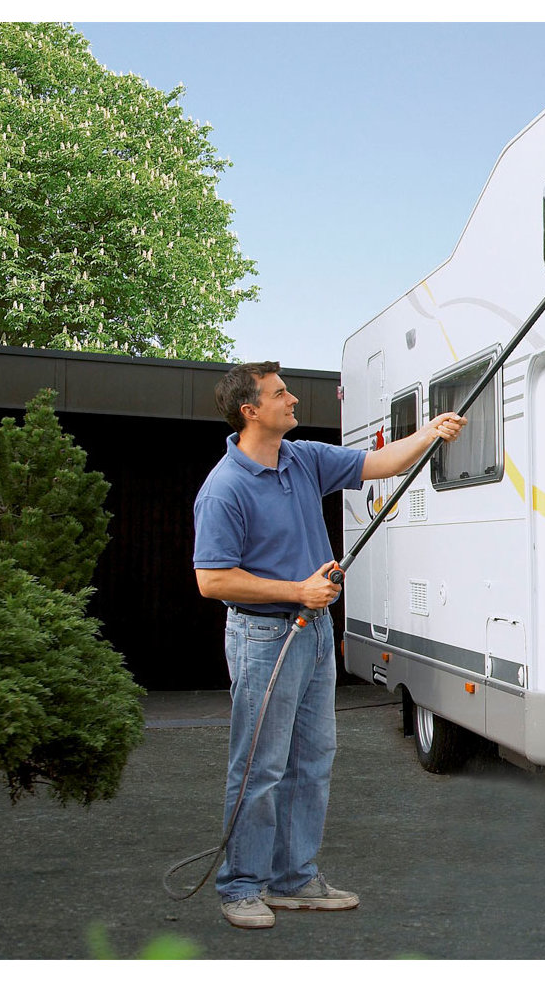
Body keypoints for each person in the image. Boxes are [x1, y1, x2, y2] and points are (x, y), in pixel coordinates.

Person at [193, 361, 462, 929]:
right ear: (251, 411)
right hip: (264, 635)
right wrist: (298, 590)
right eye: (280, 393)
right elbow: (212, 579)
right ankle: (240, 886)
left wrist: (430, 433)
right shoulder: (225, 487)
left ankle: (294, 880)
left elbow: (380, 463)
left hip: (314, 634)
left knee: (312, 760)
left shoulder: (304, 458)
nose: (293, 399)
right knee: (260, 766)